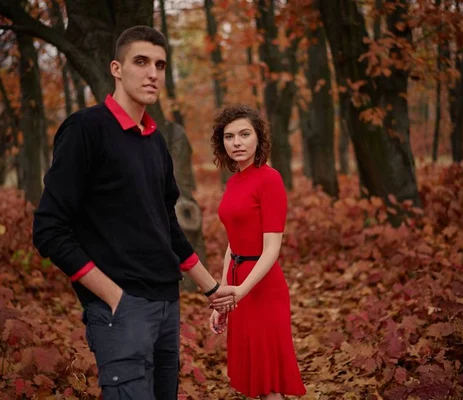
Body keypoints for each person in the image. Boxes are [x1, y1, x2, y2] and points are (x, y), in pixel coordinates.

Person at [32, 26, 235, 400]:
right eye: (141, 62)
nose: (152, 73)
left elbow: (166, 225)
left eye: (159, 64)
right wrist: (113, 296)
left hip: (166, 304)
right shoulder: (86, 129)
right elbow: (49, 229)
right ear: (117, 68)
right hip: (121, 310)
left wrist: (212, 287)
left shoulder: (154, 140)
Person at [208, 105, 306, 399]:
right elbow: (232, 244)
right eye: (229, 136)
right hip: (238, 284)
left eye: (244, 134)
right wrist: (224, 296)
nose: (236, 142)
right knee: (253, 381)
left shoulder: (269, 179)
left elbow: (272, 249)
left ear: (258, 138)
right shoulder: (234, 182)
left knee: (269, 384)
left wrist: (241, 290)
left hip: (262, 287)